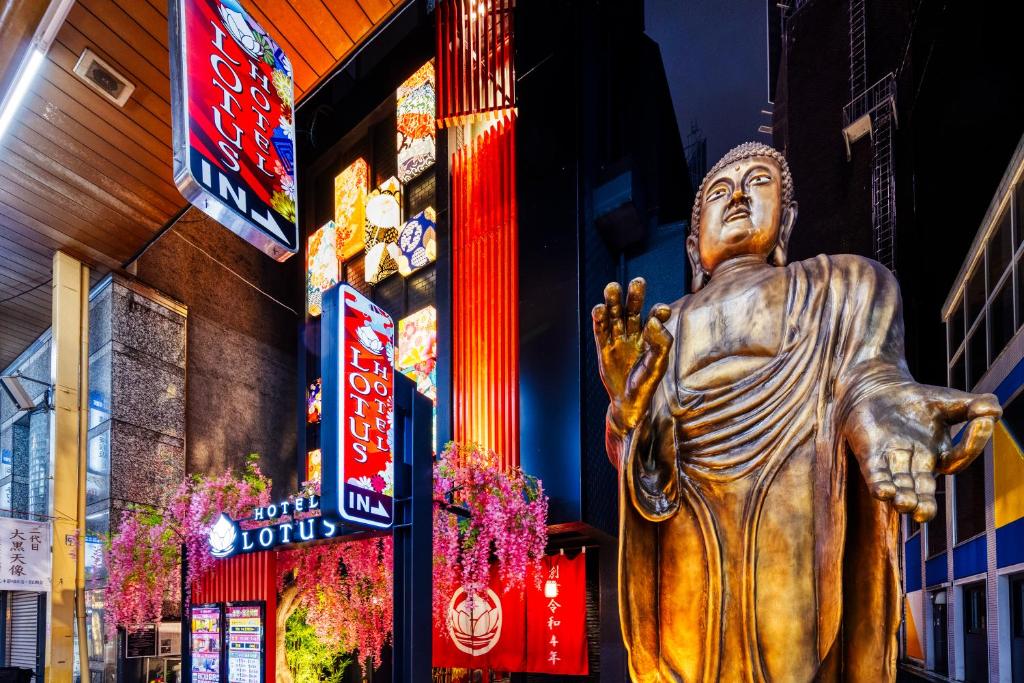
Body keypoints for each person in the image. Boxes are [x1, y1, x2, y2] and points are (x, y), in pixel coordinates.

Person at [593, 142, 1000, 682]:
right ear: (694, 249)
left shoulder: (845, 285)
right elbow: (638, 470)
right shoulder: (661, 331)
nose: (737, 195)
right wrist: (628, 411)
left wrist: (885, 417)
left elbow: (868, 376)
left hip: (800, 555)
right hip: (688, 567)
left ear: (786, 222)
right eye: (719, 192)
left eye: (757, 182)